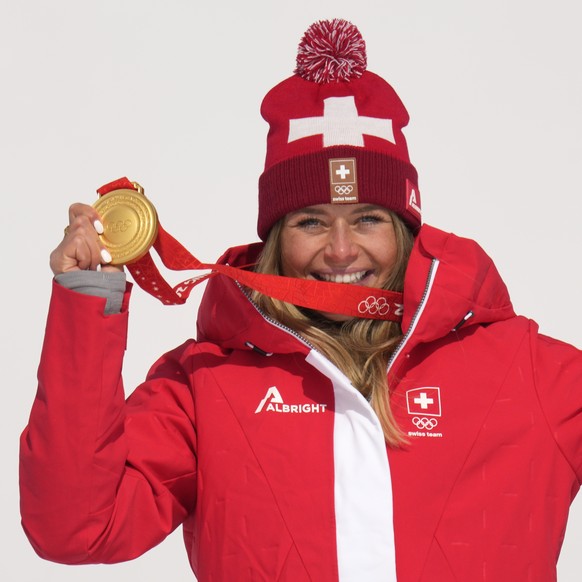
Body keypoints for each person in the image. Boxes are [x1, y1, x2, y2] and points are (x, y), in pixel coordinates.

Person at [19, 18, 582, 582]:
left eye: (368, 219)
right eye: (311, 221)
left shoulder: (526, 369)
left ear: (407, 231)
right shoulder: (207, 384)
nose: (341, 251)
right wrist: (86, 297)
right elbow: (76, 528)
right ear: (275, 239)